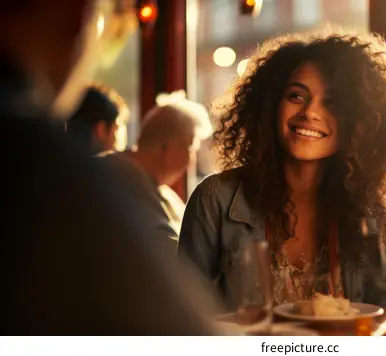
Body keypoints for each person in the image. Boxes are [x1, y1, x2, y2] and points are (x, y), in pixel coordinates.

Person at [1, 0, 222, 334]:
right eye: (191, 147)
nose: (193, 159)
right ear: (76, 16)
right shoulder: (44, 163)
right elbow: (183, 328)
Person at [178, 28, 386, 310]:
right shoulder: (215, 200)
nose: (310, 112)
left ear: (360, 121)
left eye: (331, 103)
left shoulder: (372, 206)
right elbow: (183, 310)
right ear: (271, 104)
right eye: (296, 96)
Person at [101, 90, 213, 242]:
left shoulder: (160, 191)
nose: (191, 161)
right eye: (190, 148)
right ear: (167, 148)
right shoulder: (115, 182)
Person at [66, 83, 129, 156]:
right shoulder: (100, 166)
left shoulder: (57, 158)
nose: (117, 140)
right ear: (100, 129)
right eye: (115, 130)